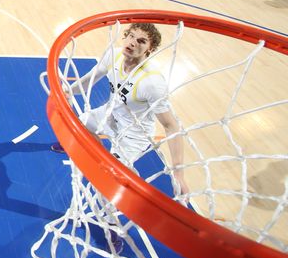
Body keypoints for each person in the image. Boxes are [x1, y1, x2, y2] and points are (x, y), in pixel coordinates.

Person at [50, 23, 188, 201]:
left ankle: (120, 204)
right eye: (130, 36)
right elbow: (90, 78)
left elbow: (171, 125)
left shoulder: (152, 82)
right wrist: (67, 90)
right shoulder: (114, 55)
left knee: (110, 182)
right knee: (74, 126)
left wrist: (178, 173)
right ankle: (100, 157)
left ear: (150, 49)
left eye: (141, 41)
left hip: (133, 134)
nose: (132, 43)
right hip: (110, 115)